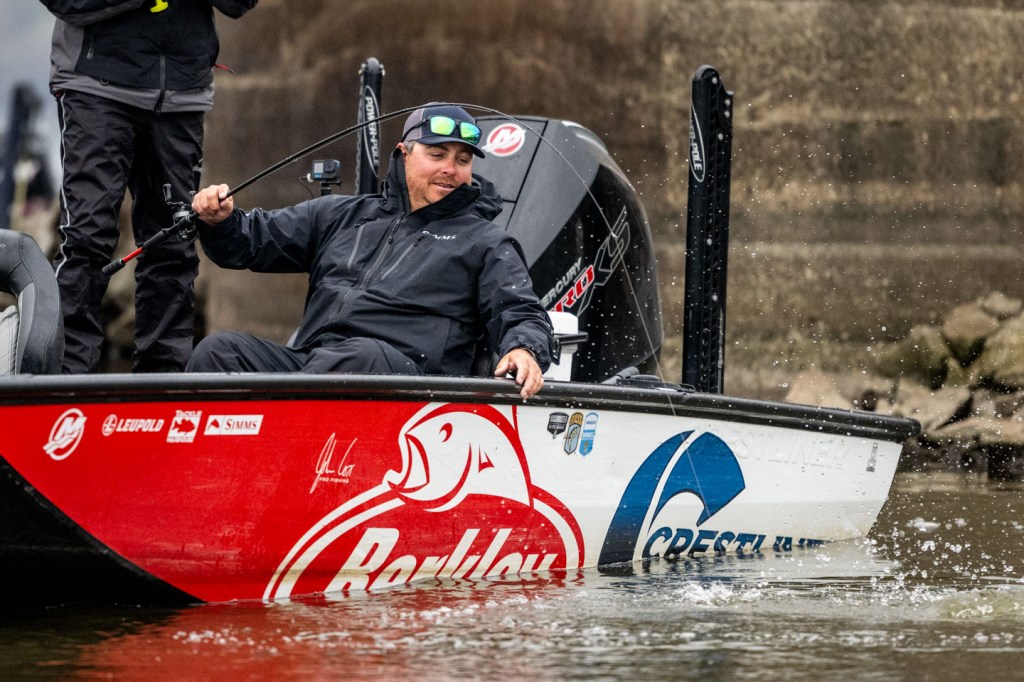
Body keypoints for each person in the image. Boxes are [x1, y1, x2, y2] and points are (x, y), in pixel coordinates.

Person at [187, 104, 554, 399]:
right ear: (404, 154)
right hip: (315, 363)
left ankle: (285, 445)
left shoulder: (487, 241)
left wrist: (524, 349)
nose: (450, 169)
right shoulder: (341, 215)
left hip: (412, 384)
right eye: (437, 154)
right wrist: (221, 221)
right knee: (219, 351)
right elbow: (250, 241)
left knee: (358, 358)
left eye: (462, 160)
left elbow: (522, 312)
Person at [41, 0, 259, 373]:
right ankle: (64, 387)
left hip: (182, 93)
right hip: (95, 85)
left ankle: (162, 388)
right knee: (87, 240)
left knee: (173, 246)